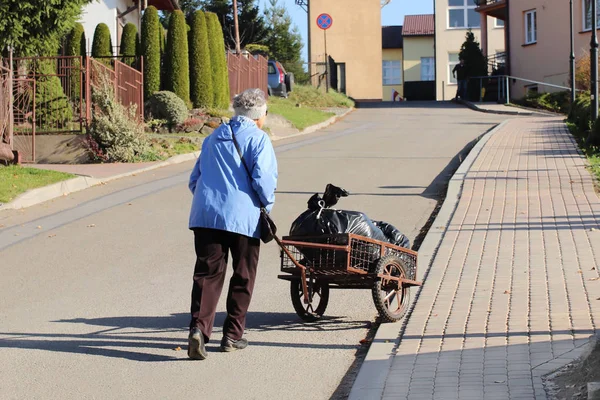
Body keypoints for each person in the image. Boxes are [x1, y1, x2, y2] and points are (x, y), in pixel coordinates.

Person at [187, 88, 278, 360]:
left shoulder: (213, 137)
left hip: (206, 216)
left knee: (207, 275)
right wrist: (266, 206)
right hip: (243, 218)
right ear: (260, 114)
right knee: (243, 275)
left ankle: (198, 331)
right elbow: (264, 181)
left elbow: (195, 179)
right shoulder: (259, 139)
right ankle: (232, 335)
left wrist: (210, 203)